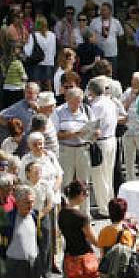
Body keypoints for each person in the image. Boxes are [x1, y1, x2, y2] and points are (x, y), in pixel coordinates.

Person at [51, 87, 94, 216]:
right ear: (67, 99)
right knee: (66, 182)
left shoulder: (86, 110)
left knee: (84, 182)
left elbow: (93, 126)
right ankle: (67, 213)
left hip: (83, 149)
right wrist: (74, 134)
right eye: (74, 101)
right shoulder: (58, 112)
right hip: (66, 150)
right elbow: (55, 134)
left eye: (79, 101)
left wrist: (95, 133)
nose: (77, 104)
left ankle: (84, 214)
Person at [58, 181, 99, 278]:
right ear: (80, 194)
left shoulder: (62, 213)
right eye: (86, 193)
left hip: (68, 258)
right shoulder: (82, 217)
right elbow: (95, 241)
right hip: (82, 261)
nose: (86, 196)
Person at [87, 77, 121, 218]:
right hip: (111, 140)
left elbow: (93, 125)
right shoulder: (110, 102)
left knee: (99, 177)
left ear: (91, 91)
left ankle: (104, 209)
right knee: (108, 175)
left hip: (101, 142)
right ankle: (110, 205)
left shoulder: (96, 106)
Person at [3, 185, 40, 278]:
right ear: (17, 202)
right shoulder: (8, 219)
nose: (31, 205)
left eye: (32, 202)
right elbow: (0, 243)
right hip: (15, 266)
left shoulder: (34, 215)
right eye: (27, 202)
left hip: (33, 265)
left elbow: (38, 239)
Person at [97, 198, 136, 278]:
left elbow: (102, 253)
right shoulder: (127, 233)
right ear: (124, 214)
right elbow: (130, 253)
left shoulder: (103, 231)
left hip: (106, 274)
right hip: (121, 275)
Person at [24, 161, 54, 278]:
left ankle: (46, 274)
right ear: (28, 173)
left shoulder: (45, 184)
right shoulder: (24, 186)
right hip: (28, 215)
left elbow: (50, 202)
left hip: (43, 214)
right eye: (35, 172)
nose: (38, 174)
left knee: (45, 245)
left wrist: (42, 214)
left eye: (39, 172)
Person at [90, 3, 123, 78]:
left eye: (104, 10)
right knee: (99, 74)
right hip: (99, 53)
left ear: (110, 11)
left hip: (112, 53)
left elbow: (120, 36)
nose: (101, 12)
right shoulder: (94, 22)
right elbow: (91, 36)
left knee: (112, 74)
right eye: (101, 10)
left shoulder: (116, 22)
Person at [121, 72, 139, 181]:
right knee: (128, 161)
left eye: (137, 83)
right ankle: (130, 181)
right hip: (128, 131)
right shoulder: (127, 92)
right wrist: (130, 99)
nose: (134, 85)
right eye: (133, 82)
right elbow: (121, 110)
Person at [24, 15, 56, 90]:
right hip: (49, 63)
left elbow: (27, 52)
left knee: (37, 88)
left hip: (37, 64)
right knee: (49, 87)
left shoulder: (33, 35)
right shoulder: (52, 35)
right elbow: (54, 51)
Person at [1, 42, 28, 108]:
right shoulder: (18, 63)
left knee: (8, 108)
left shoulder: (3, 62)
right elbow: (24, 77)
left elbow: (4, 75)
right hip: (18, 89)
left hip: (6, 87)